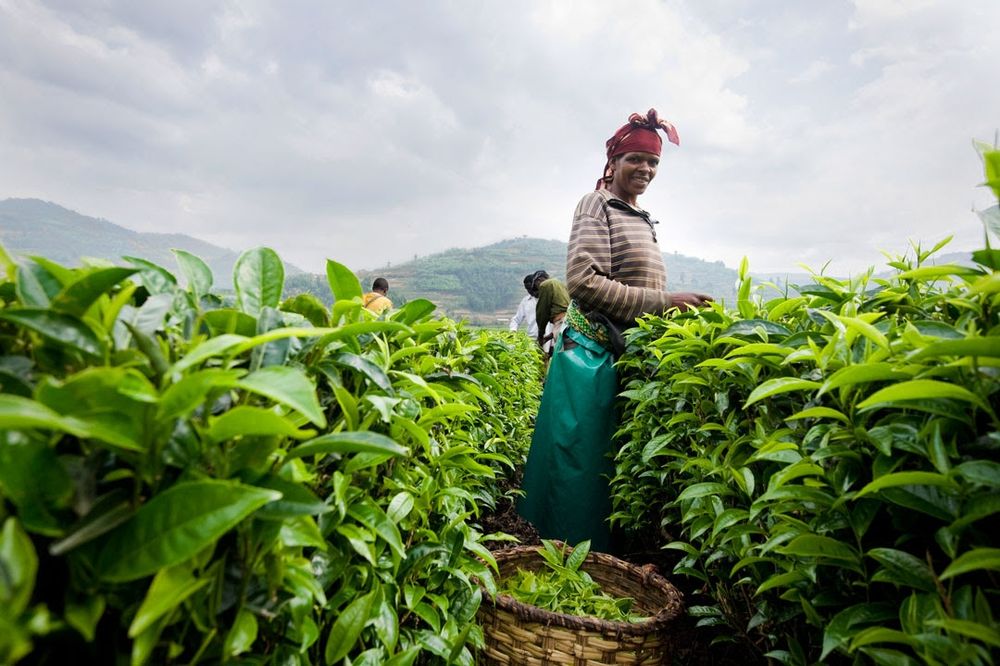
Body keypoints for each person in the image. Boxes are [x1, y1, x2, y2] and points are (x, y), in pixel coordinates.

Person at [519, 109, 712, 552]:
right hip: (590, 354)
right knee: (578, 469)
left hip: (621, 354)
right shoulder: (596, 204)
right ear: (614, 163)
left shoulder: (641, 215)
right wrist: (667, 301)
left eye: (654, 163)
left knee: (605, 469)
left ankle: (599, 558)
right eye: (636, 160)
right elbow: (584, 282)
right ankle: (566, 562)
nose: (645, 170)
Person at [534, 273, 569, 354]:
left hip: (560, 322)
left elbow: (542, 312)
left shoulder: (545, 284)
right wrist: (548, 337)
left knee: (562, 356)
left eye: (536, 287)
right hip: (569, 322)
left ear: (539, 280)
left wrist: (540, 335)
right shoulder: (561, 284)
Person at [508, 273, 540, 339]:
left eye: (531, 288)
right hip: (533, 339)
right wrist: (513, 331)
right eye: (527, 289)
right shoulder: (526, 301)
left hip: (550, 340)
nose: (530, 291)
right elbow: (516, 319)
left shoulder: (548, 298)